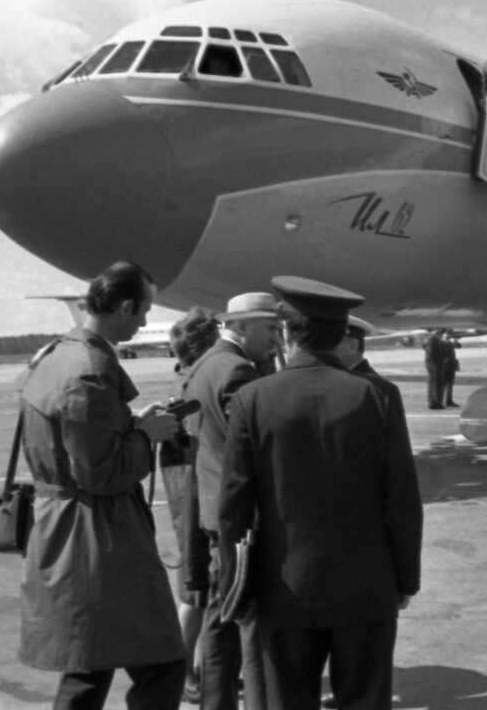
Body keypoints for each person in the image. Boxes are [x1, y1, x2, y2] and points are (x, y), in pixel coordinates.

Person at [219, 277, 422, 710]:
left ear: (288, 332)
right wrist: (405, 578)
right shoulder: (379, 395)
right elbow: (402, 499)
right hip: (368, 586)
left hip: (284, 588)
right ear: (342, 334)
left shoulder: (253, 399)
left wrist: (238, 588)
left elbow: (234, 506)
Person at [17, 261, 187, 710]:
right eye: (143, 311)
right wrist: (145, 438)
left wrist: (132, 425)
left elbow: (74, 442)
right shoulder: (88, 369)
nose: (146, 322)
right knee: (159, 662)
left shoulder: (59, 354)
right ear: (125, 305)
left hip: (74, 533)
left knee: (90, 668)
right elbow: (101, 473)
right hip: (97, 538)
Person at [187, 291, 281, 710]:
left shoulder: (205, 364)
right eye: (270, 327)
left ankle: (215, 702)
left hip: (213, 510)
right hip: (244, 520)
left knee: (220, 617)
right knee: (250, 622)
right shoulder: (238, 371)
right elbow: (262, 447)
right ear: (240, 327)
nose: (278, 337)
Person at [164, 308, 221, 704]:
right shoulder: (198, 386)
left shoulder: (186, 383)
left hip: (189, 495)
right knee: (195, 591)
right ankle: (183, 674)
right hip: (196, 496)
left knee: (197, 588)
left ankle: (194, 670)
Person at [424, 329, 451, 410]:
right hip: (434, 365)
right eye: (439, 331)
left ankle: (437, 402)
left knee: (437, 384)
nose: (441, 333)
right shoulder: (432, 339)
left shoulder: (436, 339)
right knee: (435, 384)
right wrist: (441, 359)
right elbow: (431, 353)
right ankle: (434, 403)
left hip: (436, 364)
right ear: (436, 331)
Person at [440, 329, 462, 407]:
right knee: (443, 385)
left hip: (451, 366)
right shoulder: (440, 343)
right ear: (443, 334)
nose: (448, 335)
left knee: (450, 384)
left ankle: (449, 401)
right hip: (444, 366)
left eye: (449, 334)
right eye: (447, 334)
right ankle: (440, 401)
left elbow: (458, 347)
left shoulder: (450, 343)